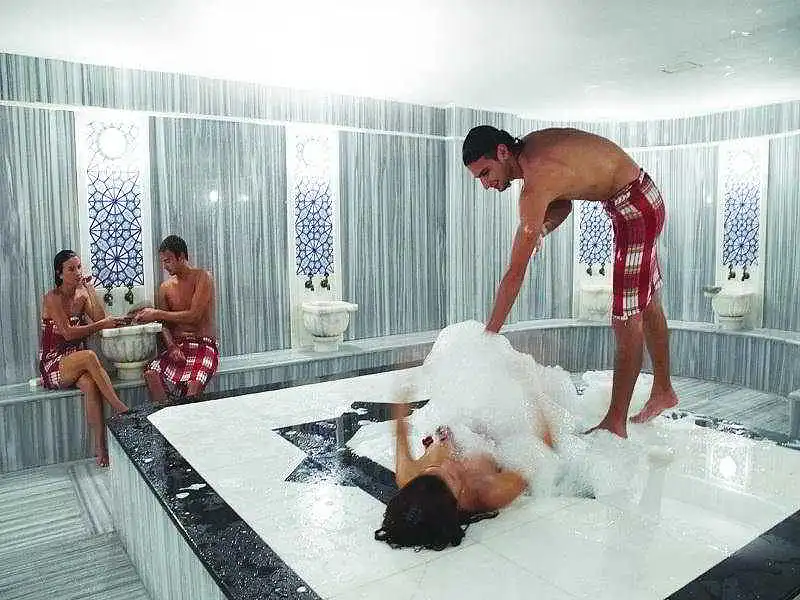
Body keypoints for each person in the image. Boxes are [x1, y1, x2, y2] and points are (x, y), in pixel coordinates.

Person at [462, 125, 678, 438]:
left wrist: (489, 335)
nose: (485, 184)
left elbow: (515, 273)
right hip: (639, 198)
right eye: (479, 179)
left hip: (634, 209)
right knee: (647, 301)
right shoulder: (531, 151)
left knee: (625, 317)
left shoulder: (535, 182)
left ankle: (615, 423)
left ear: (502, 152)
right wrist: (543, 229)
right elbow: (564, 202)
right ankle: (663, 390)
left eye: (485, 173)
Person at [374, 393, 537, 551]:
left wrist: (405, 388)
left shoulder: (410, 478)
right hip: (493, 422)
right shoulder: (491, 492)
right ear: (455, 502)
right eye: (453, 477)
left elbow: (400, 425)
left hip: (460, 408)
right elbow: (540, 450)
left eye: (433, 468)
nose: (446, 463)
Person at [39, 250, 129, 466]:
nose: (78, 272)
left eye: (79, 267)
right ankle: (120, 409)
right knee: (89, 356)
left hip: (75, 359)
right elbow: (68, 333)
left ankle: (100, 449)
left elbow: (100, 319)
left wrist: (90, 290)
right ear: (60, 273)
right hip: (54, 362)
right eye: (71, 269)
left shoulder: (82, 294)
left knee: (89, 384)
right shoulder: (52, 298)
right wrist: (100, 324)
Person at [134, 235, 218, 403]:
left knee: (194, 384)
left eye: (168, 261)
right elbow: (164, 325)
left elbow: (194, 316)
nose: (165, 266)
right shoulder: (165, 288)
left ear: (181, 256)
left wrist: (156, 313)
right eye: (163, 262)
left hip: (203, 344)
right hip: (179, 346)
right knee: (151, 374)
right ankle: (168, 413)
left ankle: (183, 413)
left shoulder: (202, 277)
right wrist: (171, 346)